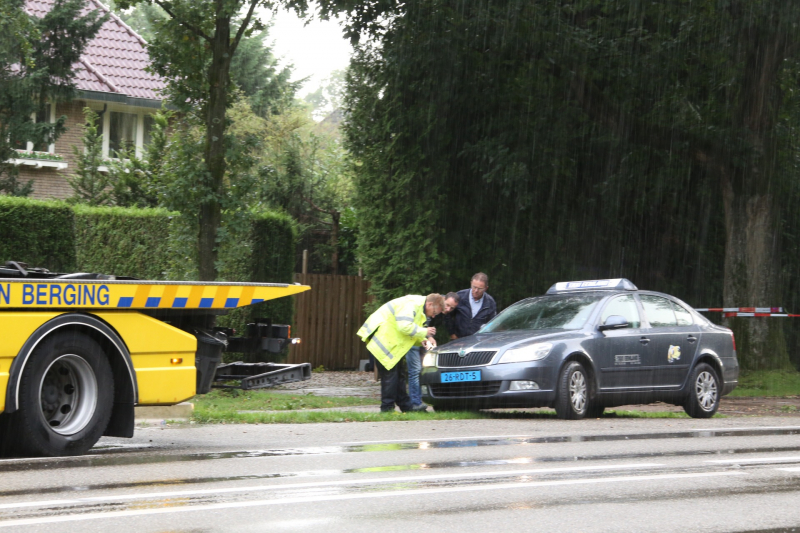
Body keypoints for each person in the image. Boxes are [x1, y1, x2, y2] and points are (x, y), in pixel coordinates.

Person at [357, 293, 445, 412]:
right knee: (390, 378)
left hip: (389, 344)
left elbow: (411, 331)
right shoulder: (411, 305)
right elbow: (404, 327)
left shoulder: (418, 308)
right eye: (435, 313)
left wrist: (423, 341)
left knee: (399, 377)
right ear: (430, 304)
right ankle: (387, 409)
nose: (434, 316)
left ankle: (406, 407)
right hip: (384, 343)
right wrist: (425, 331)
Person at [406, 292, 460, 410]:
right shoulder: (431, 304)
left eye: (452, 308)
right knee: (415, 370)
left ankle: (423, 400)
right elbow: (421, 324)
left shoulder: (443, 313)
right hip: (414, 338)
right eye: (447, 305)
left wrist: (430, 339)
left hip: (422, 339)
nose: (448, 309)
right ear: (442, 300)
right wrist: (428, 336)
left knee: (423, 369)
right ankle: (415, 403)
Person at [451, 273, 497, 339]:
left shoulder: (490, 302)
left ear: (486, 288)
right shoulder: (460, 296)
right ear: (471, 283)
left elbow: (493, 324)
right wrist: (452, 334)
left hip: (478, 342)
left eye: (480, 289)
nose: (476, 291)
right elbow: (448, 314)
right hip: (458, 340)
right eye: (474, 287)